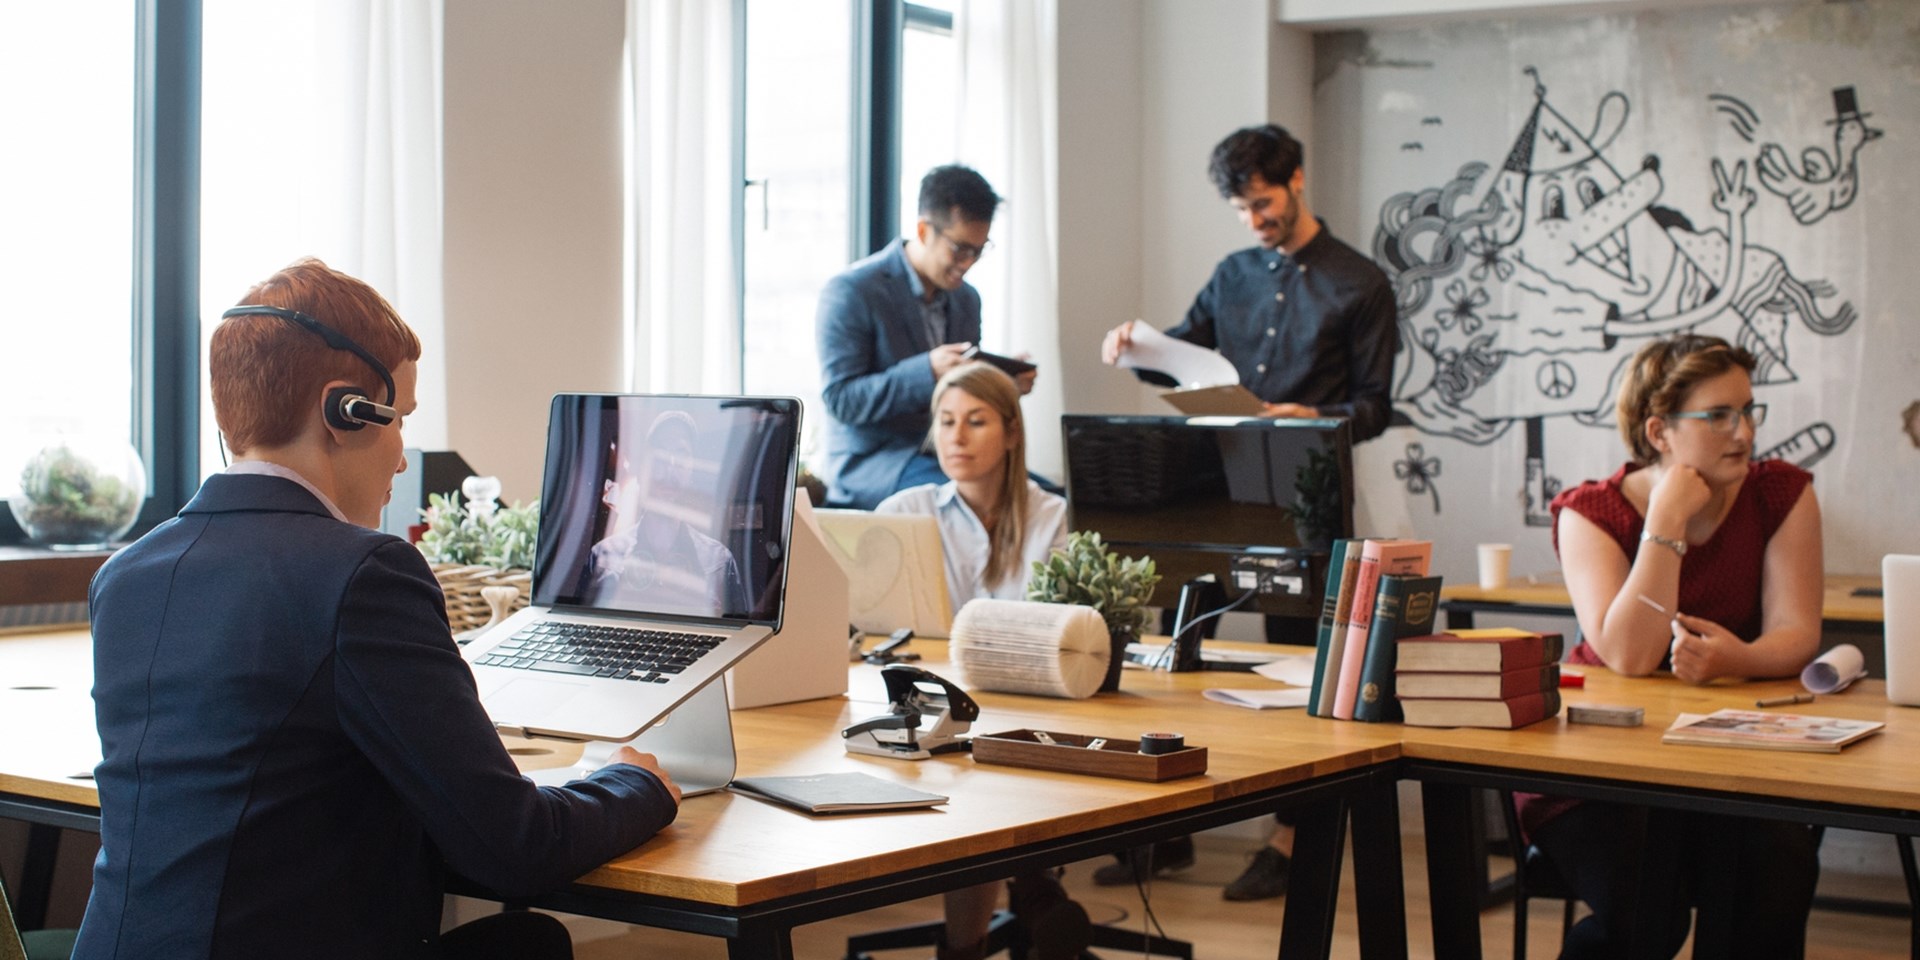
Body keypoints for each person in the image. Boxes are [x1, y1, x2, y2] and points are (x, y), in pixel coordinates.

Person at [77, 258, 682, 960]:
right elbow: (516, 849)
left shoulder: (125, 575)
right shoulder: (363, 573)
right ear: (345, 411)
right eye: (401, 420)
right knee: (532, 941)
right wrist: (636, 782)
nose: (402, 459)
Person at [1096, 122, 1402, 900]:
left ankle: (1297, 841)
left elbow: (1375, 407)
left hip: (1306, 493)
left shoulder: (1361, 282)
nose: (1252, 220)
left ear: (1296, 179)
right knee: (1177, 648)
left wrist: (1315, 413)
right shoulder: (1231, 273)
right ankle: (1163, 831)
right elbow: (1183, 356)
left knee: (1302, 663)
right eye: (1240, 208)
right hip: (1215, 487)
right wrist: (1137, 346)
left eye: (1261, 202)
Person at [1524, 333, 1821, 958]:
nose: (1744, 432)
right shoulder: (1591, 511)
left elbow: (1798, 633)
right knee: (1647, 914)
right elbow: (1628, 656)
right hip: (1594, 768)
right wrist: (1665, 520)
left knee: (1779, 868)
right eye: (1719, 416)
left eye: (1748, 411)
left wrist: (1735, 660)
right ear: (1659, 432)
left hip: (1720, 757)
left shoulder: (1780, 493)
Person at [874, 362, 1079, 960]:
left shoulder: (1052, 516)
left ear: (1012, 432)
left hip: (1025, 704)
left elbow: (1061, 631)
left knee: (983, 787)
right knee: (970, 785)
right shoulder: (904, 512)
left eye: (976, 421)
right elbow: (871, 626)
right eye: (945, 422)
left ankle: (976, 936)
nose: (956, 437)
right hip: (929, 705)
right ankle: (999, 916)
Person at [818, 164, 1037, 510]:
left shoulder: (967, 299)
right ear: (923, 230)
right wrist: (927, 371)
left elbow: (962, 395)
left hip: (944, 452)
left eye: (978, 251)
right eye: (960, 249)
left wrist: (1001, 383)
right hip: (873, 463)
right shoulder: (851, 292)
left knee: (1049, 498)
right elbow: (841, 399)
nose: (968, 264)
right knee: (995, 501)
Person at [585, 409, 743, 615]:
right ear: (642, 471)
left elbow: (741, 636)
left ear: (691, 471)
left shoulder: (719, 561)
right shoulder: (603, 557)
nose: (671, 464)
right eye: (660, 452)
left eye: (681, 453)